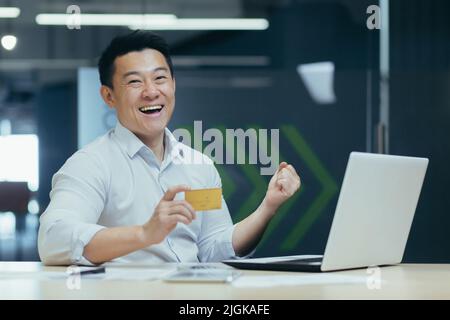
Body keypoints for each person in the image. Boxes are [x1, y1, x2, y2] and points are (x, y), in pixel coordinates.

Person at [38, 30, 301, 265]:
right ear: (109, 96)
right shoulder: (90, 163)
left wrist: (268, 206)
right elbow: (53, 238)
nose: (151, 91)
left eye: (160, 78)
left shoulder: (198, 165)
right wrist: (143, 234)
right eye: (134, 82)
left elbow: (213, 249)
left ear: (173, 84)